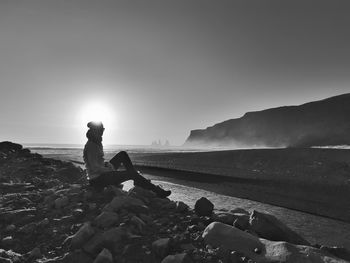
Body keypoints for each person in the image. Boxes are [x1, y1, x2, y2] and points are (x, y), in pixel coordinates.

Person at [83, 121, 171, 198]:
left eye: (103, 129)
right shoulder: (92, 146)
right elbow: (95, 168)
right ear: (95, 130)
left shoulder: (96, 142)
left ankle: (136, 178)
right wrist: (109, 169)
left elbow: (97, 163)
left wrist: (106, 164)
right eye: (101, 129)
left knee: (122, 154)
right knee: (132, 173)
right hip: (98, 180)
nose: (103, 131)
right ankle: (157, 191)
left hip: (101, 174)